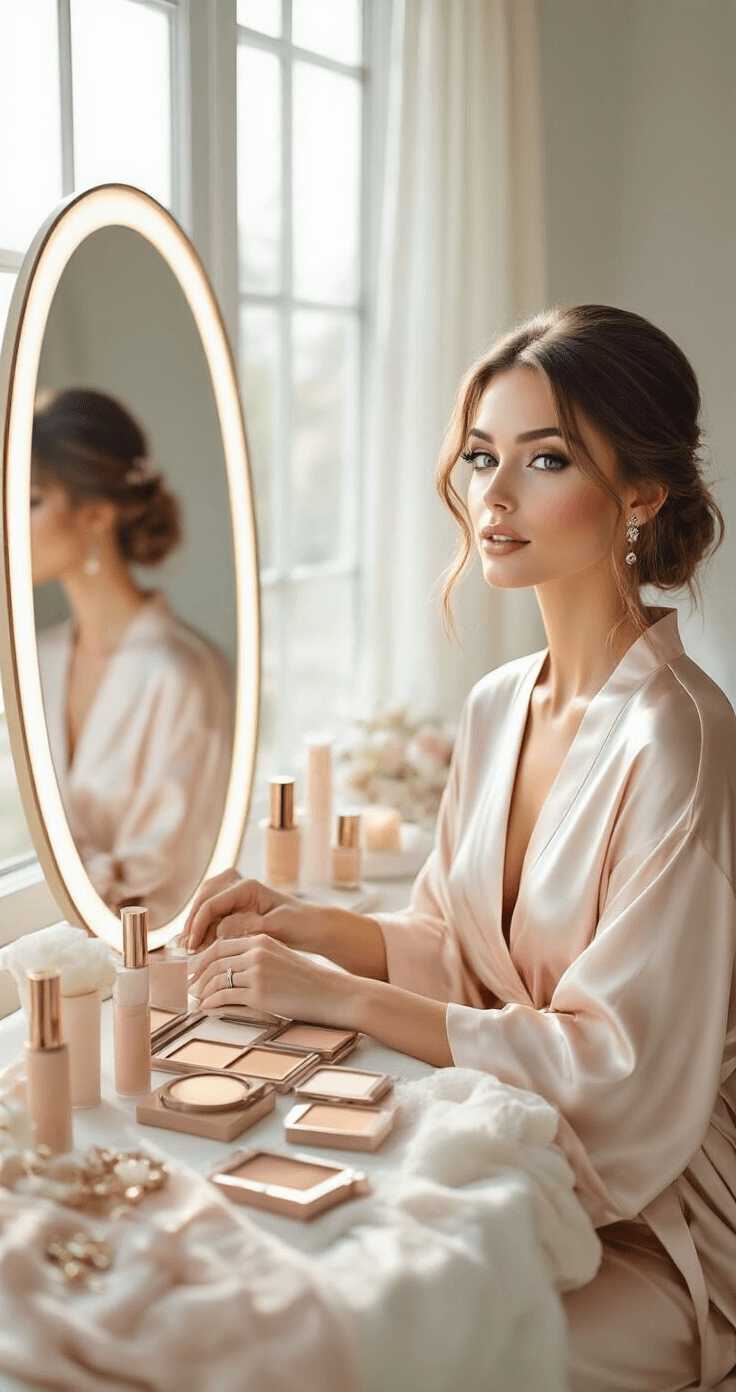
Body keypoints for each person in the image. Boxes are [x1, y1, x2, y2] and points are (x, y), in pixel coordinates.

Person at [183, 305, 736, 1390]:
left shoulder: (681, 740)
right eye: (483, 455)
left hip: (663, 1212)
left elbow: (615, 1073)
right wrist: (313, 928)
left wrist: (335, 994)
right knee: (269, 1287)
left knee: (395, 1358)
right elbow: (450, 940)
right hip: (514, 1145)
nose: (494, 494)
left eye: (545, 459)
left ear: (639, 492)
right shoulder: (495, 705)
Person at [32, 387, 234, 928]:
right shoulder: (37, 663)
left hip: (151, 969)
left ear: (96, 513)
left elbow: (165, 880)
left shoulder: (185, 676)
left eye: (30, 502)